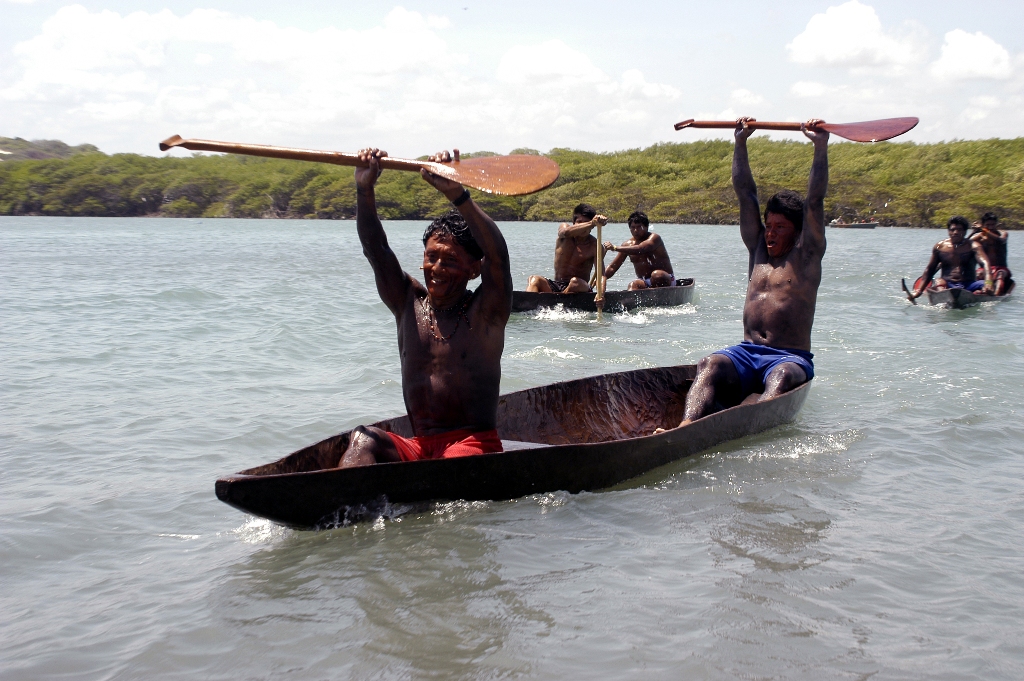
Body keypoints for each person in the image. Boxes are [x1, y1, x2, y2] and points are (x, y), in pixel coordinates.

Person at [336, 148, 512, 467]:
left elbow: (498, 255)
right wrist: (364, 187)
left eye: (450, 261)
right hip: (419, 447)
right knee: (363, 439)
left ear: (474, 269)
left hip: (471, 444)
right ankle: (343, 504)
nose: (437, 268)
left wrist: (457, 195)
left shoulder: (486, 311)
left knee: (451, 462)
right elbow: (376, 250)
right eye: (432, 257)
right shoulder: (407, 302)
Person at [671, 117, 828, 426]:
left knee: (781, 376)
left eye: (779, 228)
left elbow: (815, 201)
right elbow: (746, 193)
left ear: (797, 233)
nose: (769, 234)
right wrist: (740, 143)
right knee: (709, 363)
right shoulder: (757, 250)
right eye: (768, 226)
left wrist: (820, 148)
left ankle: (748, 428)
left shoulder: (807, 256)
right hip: (747, 353)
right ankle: (686, 427)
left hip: (789, 357)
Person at [525, 203, 607, 293]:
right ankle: (526, 304)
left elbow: (601, 275)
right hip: (557, 285)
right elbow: (565, 232)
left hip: (580, 288)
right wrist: (590, 223)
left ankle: (558, 303)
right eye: (580, 222)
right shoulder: (565, 230)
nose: (583, 227)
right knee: (534, 279)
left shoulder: (595, 245)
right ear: (573, 223)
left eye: (587, 223)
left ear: (592, 227)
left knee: (575, 282)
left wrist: (601, 294)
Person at [908, 216, 992, 300]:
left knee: (985, 284)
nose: (955, 232)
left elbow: (985, 264)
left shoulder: (974, 246)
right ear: (948, 231)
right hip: (947, 284)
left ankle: (977, 293)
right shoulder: (940, 247)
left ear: (965, 231)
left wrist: (988, 282)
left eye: (959, 230)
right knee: (939, 281)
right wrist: (919, 291)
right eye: (952, 230)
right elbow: (930, 270)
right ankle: (944, 297)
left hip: (969, 284)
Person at [601, 210, 676, 290]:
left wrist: (615, 248)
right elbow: (613, 267)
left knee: (656, 275)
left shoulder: (655, 238)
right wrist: (600, 278)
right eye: (633, 227)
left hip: (665, 279)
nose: (636, 231)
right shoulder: (627, 245)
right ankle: (630, 301)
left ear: (646, 227)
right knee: (633, 285)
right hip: (644, 281)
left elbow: (641, 249)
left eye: (639, 227)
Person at [970, 212, 1012, 296]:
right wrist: (973, 232)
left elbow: (1001, 240)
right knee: (978, 274)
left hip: (1001, 267)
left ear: (996, 224)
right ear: (983, 224)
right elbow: (965, 243)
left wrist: (983, 229)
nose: (991, 227)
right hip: (985, 269)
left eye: (993, 225)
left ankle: (995, 295)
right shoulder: (981, 235)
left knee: (1000, 274)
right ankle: (975, 292)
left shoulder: (1002, 233)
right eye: (988, 225)